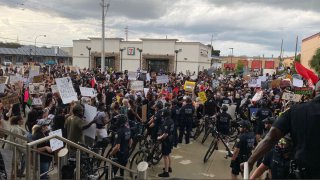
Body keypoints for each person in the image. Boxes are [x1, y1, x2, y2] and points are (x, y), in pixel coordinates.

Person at [245, 81, 320, 179]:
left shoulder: (295, 111)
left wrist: (250, 161)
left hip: (304, 172)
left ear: (314, 93)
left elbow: (271, 138)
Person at [158, 108, 174, 177]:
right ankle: (169, 167)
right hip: (171, 139)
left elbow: (165, 134)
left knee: (165, 156)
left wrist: (159, 138)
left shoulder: (166, 122)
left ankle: (166, 172)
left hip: (166, 141)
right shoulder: (171, 120)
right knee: (168, 154)